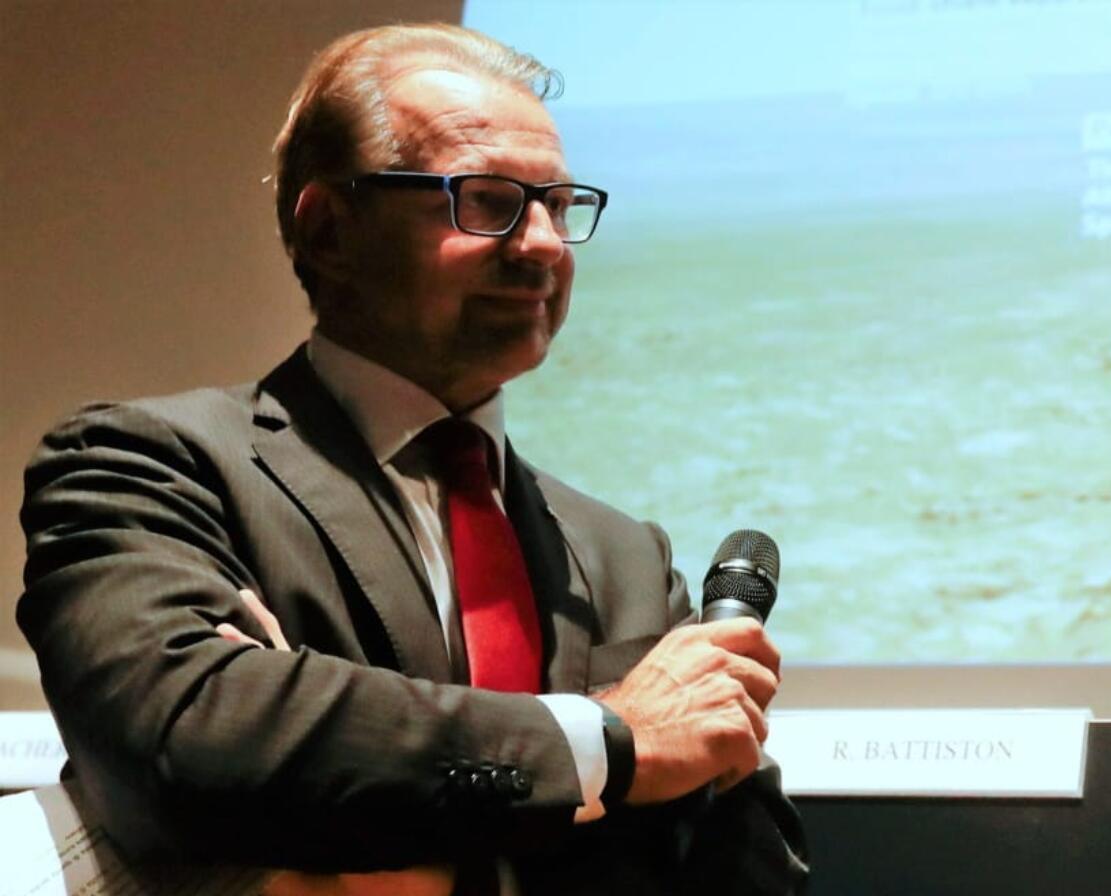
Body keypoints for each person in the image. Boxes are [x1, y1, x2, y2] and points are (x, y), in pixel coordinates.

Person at [18, 23, 808, 895]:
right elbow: (191, 740)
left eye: (557, 203)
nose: (542, 243)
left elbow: (742, 860)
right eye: (486, 199)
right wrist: (608, 743)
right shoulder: (150, 466)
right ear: (329, 230)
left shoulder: (621, 556)